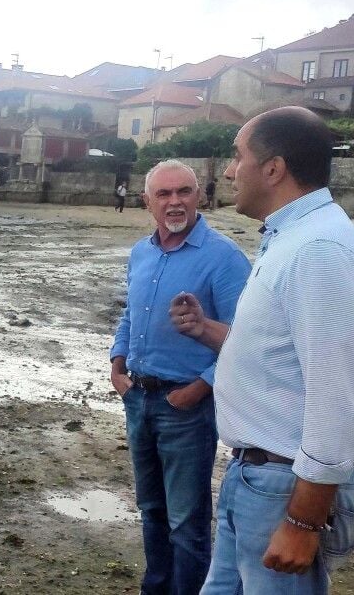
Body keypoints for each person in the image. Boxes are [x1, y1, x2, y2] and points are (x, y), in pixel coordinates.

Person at [170, 107, 354, 594]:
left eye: (237, 157)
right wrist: (207, 330)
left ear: (273, 168)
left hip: (285, 487)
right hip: (257, 478)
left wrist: (303, 523)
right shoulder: (292, 237)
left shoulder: (320, 252)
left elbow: (335, 400)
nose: (228, 171)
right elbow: (278, 355)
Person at [109, 160, 251, 595]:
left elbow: (244, 338)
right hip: (139, 398)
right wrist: (118, 364)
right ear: (146, 201)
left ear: (200, 196)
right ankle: (156, 588)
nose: (175, 202)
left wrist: (199, 389)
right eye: (164, 194)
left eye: (184, 192)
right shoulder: (141, 252)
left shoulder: (224, 258)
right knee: (150, 508)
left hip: (186, 406)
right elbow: (133, 313)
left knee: (186, 522)